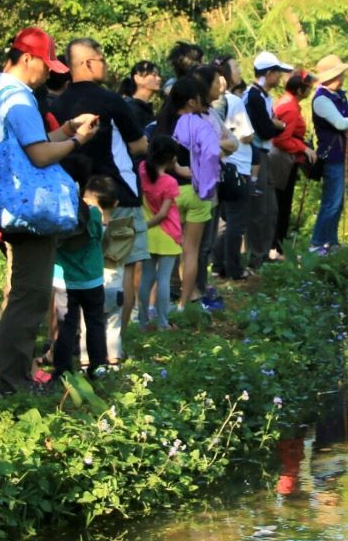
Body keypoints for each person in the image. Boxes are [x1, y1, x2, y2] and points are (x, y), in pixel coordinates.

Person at [0, 28, 99, 398]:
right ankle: (12, 382)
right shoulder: (18, 99)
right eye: (45, 64)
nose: (48, 74)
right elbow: (38, 155)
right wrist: (78, 141)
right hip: (29, 211)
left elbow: (33, 143)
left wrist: (64, 129)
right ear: (27, 58)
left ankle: (13, 375)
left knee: (23, 292)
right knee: (29, 295)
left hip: (14, 206)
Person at [53, 38, 150, 331]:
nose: (106, 65)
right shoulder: (111, 101)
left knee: (71, 274)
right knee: (120, 269)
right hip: (118, 196)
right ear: (88, 63)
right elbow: (140, 145)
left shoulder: (57, 104)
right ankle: (113, 344)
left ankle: (69, 339)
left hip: (73, 201)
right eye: (103, 59)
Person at [156, 73, 232, 314]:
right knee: (192, 251)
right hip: (198, 193)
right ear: (190, 102)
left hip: (171, 192)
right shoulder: (199, 123)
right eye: (200, 98)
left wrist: (176, 168)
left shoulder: (162, 123)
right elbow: (213, 153)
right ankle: (184, 304)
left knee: (166, 251)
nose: (204, 102)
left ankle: (158, 306)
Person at [52, 173, 118, 376]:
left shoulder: (59, 217)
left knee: (66, 326)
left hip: (64, 281)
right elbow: (99, 237)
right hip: (92, 280)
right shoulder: (95, 215)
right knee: (95, 322)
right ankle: (98, 365)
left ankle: (62, 369)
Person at [244, 51, 293, 267]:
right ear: (269, 73)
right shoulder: (253, 96)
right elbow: (264, 128)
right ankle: (256, 257)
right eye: (277, 73)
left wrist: (274, 124)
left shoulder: (263, 96)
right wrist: (278, 125)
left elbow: (269, 124)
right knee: (259, 209)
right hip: (254, 154)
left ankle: (264, 253)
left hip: (264, 153)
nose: (280, 78)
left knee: (270, 208)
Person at [211, 55, 257, 282]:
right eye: (235, 66)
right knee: (237, 221)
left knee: (223, 220)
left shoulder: (211, 102)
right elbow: (247, 135)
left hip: (222, 167)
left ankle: (219, 265)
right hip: (238, 166)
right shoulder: (233, 101)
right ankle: (234, 269)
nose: (239, 69)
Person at [309, 54, 348, 254]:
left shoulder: (340, 96)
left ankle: (332, 240)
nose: (342, 78)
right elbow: (341, 122)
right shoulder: (321, 99)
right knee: (332, 200)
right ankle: (318, 242)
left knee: (339, 199)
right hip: (332, 155)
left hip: (344, 151)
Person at [137, 137, 183, 328]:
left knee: (146, 278)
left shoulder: (141, 170)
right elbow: (164, 213)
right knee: (163, 280)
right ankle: (163, 322)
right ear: (172, 158)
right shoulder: (170, 182)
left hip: (148, 234)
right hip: (168, 234)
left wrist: (143, 227)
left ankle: (142, 320)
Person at [271, 71, 313, 250]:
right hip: (283, 161)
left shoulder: (288, 102)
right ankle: (277, 246)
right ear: (299, 90)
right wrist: (303, 148)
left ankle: (277, 245)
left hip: (287, 159)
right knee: (281, 205)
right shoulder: (290, 108)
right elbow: (281, 139)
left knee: (281, 203)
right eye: (307, 87)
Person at [119, 59, 163, 133]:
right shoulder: (132, 109)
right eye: (154, 75)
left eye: (158, 75)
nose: (159, 79)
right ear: (138, 78)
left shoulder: (144, 108)